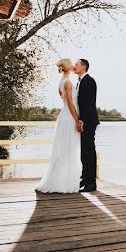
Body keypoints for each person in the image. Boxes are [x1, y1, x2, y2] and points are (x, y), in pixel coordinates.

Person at [35, 58, 82, 193]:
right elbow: (71, 103)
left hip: (64, 116)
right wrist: (77, 120)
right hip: (68, 118)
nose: (74, 66)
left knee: (65, 149)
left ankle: (62, 180)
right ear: (67, 67)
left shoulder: (62, 82)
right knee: (68, 149)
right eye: (72, 64)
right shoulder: (67, 83)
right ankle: (64, 183)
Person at [74, 58, 99, 192]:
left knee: (89, 151)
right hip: (83, 121)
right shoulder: (79, 81)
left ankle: (91, 183)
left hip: (88, 122)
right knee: (84, 152)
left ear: (83, 67)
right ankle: (84, 178)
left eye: (76, 65)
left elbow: (89, 104)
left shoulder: (89, 81)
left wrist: (82, 120)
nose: (74, 66)